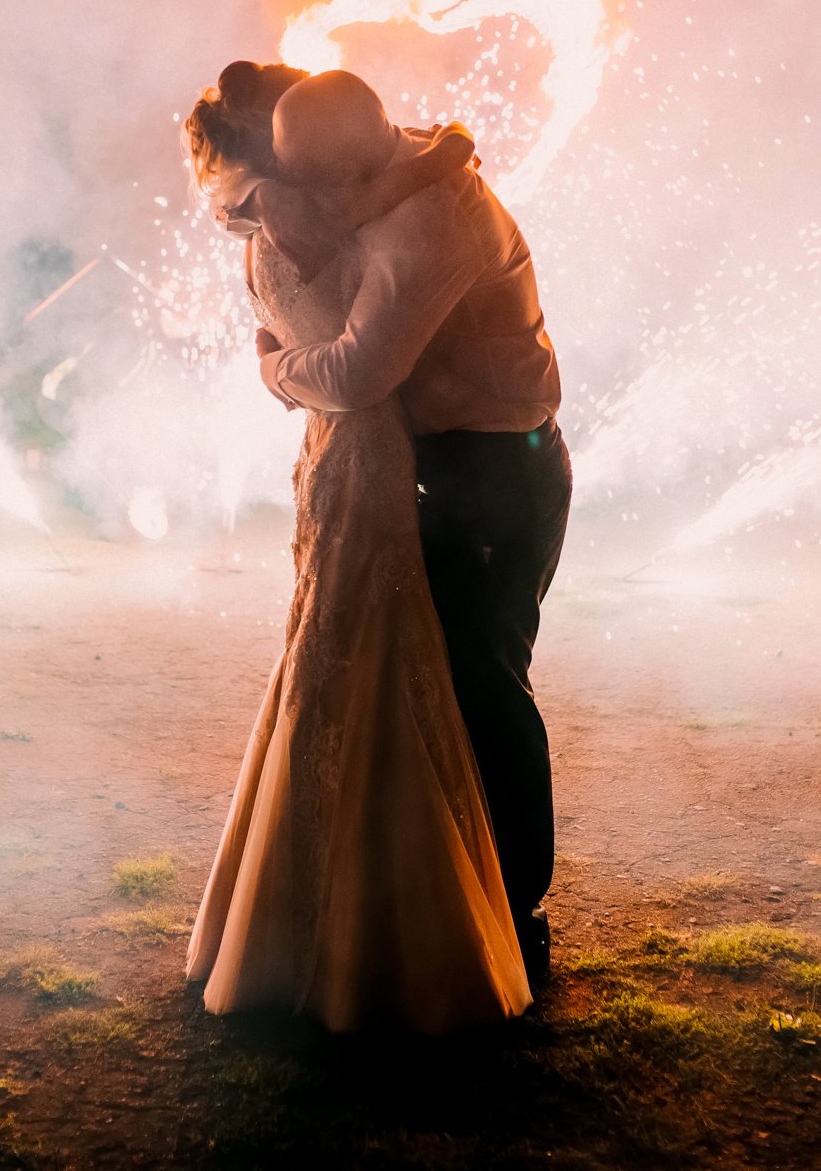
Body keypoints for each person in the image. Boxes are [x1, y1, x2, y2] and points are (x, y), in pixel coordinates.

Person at [182, 61, 530, 1033]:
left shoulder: (376, 208)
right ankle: (435, 910)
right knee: (405, 667)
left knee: (439, 671)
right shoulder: (326, 211)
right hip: (383, 453)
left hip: (434, 455)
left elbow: (360, 365)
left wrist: (273, 373)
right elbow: (361, 365)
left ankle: (498, 899)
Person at [258, 70, 569, 995]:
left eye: (315, 181)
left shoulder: (430, 221)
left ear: (351, 170)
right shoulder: (398, 179)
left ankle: (515, 915)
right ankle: (452, 896)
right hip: (450, 467)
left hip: (492, 473)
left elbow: (358, 373)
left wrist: (278, 372)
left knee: (482, 688)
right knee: (436, 685)